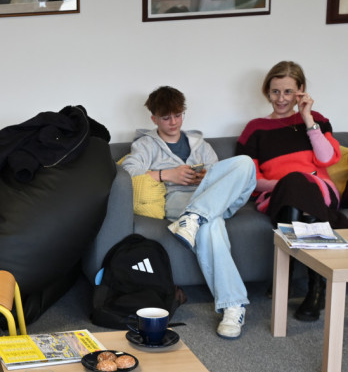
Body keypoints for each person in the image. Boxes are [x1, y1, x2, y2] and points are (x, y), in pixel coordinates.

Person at [122, 86, 256, 339]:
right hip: (179, 200)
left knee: (245, 163)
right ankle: (233, 306)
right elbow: (127, 172)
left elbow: (221, 174)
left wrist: (206, 176)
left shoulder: (200, 144)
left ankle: (194, 217)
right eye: (166, 117)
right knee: (211, 225)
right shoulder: (146, 145)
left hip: (214, 197)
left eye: (178, 115)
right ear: (154, 118)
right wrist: (167, 174)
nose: (173, 122)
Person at [237, 60, 347, 321]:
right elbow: (250, 178)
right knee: (295, 185)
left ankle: (285, 277)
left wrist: (308, 119)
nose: (281, 98)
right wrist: (287, 183)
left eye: (288, 92)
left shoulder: (317, 120)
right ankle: (316, 286)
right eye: (275, 91)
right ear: (267, 91)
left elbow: (327, 158)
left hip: (320, 190)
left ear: (300, 91)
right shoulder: (255, 128)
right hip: (275, 195)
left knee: (299, 186)